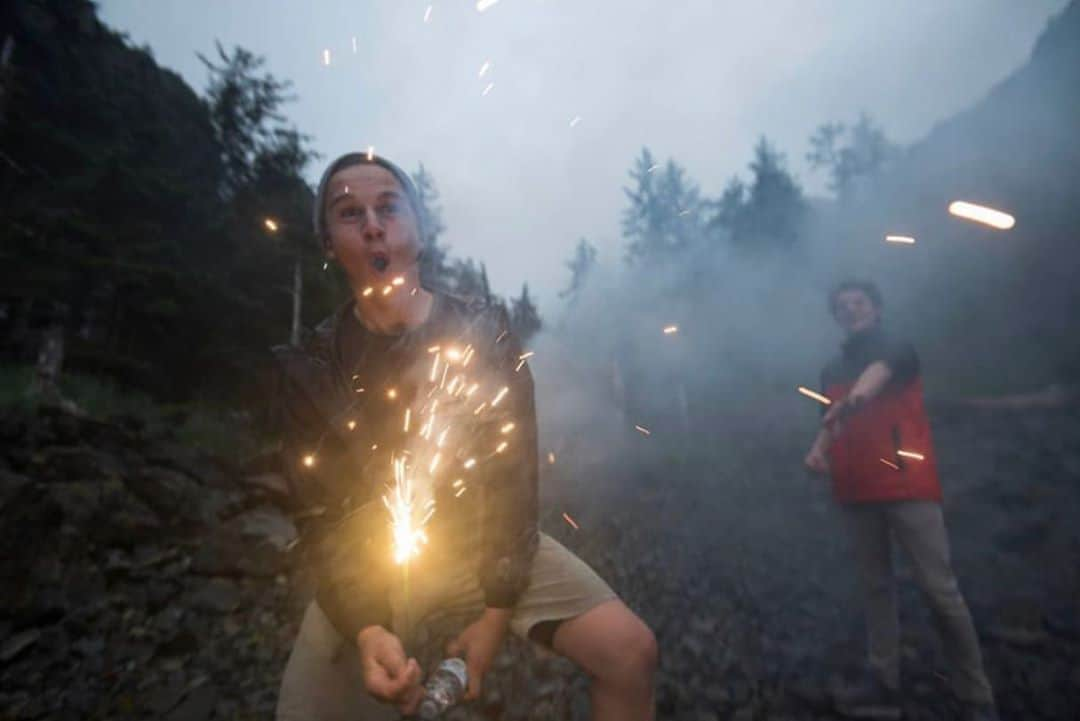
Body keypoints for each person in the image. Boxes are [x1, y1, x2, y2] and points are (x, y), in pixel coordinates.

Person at [273, 151, 657, 720]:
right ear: (329, 244)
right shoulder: (310, 367)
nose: (373, 223)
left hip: (483, 541)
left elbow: (512, 475)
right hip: (366, 559)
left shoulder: (482, 331)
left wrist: (495, 616)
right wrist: (368, 627)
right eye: (349, 213)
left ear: (420, 232)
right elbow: (320, 520)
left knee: (630, 652)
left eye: (388, 206)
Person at [804, 279, 998, 721]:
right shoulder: (831, 367)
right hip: (855, 488)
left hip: (906, 484)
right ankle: (883, 677)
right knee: (875, 587)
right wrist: (818, 450)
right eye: (842, 306)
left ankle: (976, 692)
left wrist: (853, 400)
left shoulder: (897, 348)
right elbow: (830, 420)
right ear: (835, 316)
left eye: (859, 302)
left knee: (939, 590)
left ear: (877, 308)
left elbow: (877, 375)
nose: (851, 310)